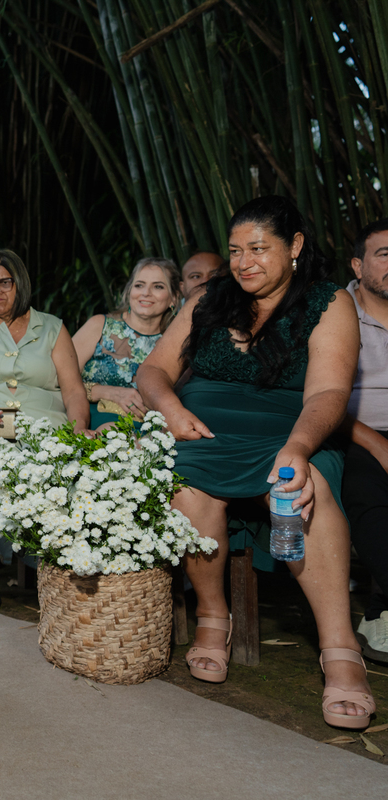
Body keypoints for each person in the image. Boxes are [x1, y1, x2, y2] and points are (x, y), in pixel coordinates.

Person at [136, 195, 375, 730]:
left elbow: (330, 392)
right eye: (236, 250)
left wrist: (298, 446)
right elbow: (152, 372)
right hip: (203, 431)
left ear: (293, 247)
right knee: (186, 488)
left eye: (258, 249)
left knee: (295, 491)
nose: (244, 261)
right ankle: (212, 617)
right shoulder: (210, 298)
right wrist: (172, 409)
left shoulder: (327, 301)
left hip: (291, 432)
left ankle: (340, 649)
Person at [0, 250, 90, 609]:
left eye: (3, 283)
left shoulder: (52, 327)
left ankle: (51, 561)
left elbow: (72, 389)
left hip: (45, 426)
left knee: (51, 464)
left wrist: (79, 429)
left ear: (19, 283)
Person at [340, 218, 388, 664]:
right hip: (352, 429)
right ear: (359, 265)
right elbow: (317, 399)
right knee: (366, 489)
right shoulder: (337, 313)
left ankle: (380, 609)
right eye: (385, 254)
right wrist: (376, 443)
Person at [73, 257, 180, 429]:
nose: (146, 292)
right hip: (89, 421)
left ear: (173, 298)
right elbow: (55, 380)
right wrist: (107, 392)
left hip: (146, 431)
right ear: (129, 291)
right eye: (139, 285)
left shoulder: (175, 343)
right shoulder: (99, 326)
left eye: (158, 286)